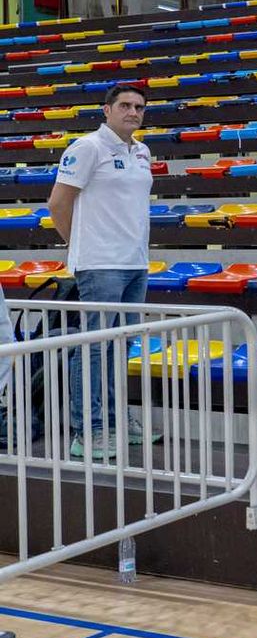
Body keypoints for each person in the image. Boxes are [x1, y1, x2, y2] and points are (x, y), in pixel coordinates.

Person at [47, 83, 159, 461]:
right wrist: (77, 244)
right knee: (94, 346)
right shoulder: (87, 147)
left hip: (135, 262)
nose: (132, 112)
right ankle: (89, 430)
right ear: (107, 110)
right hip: (99, 263)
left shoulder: (142, 151)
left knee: (120, 344)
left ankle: (115, 419)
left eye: (139, 107)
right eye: (125, 105)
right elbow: (58, 202)